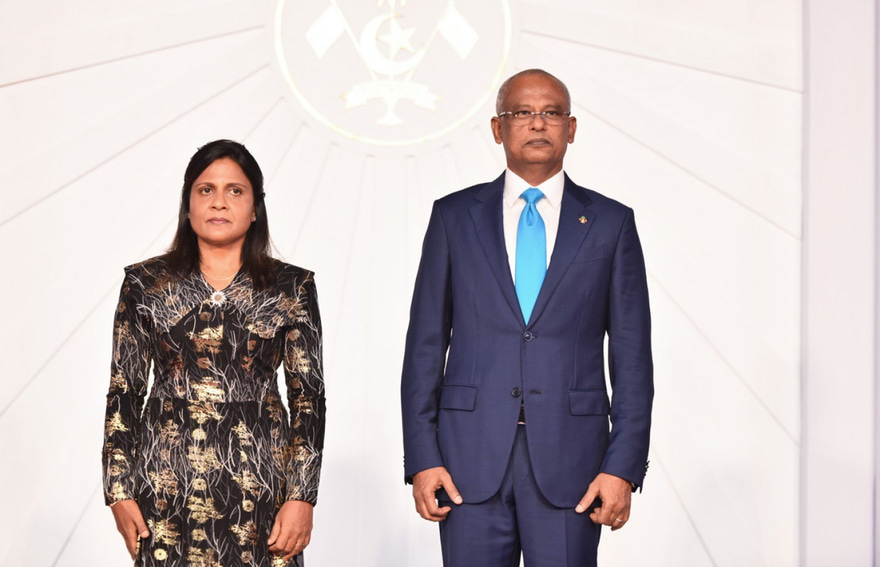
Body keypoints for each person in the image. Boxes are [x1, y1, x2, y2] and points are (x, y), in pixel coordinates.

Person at [401, 69, 653, 566]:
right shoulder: (453, 217)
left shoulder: (611, 223)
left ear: (571, 128)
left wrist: (622, 466)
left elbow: (632, 359)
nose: (538, 123)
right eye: (522, 112)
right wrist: (423, 457)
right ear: (498, 128)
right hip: (467, 460)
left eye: (551, 113)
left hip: (574, 464)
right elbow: (424, 347)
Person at [102, 139, 325, 566]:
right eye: (206, 190)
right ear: (188, 205)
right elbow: (125, 390)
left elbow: (308, 399)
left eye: (234, 190)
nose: (219, 202)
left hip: (262, 490)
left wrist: (302, 496)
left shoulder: (291, 287)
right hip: (166, 489)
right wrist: (119, 490)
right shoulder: (146, 284)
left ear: (255, 207)